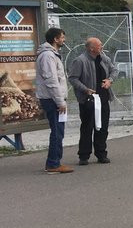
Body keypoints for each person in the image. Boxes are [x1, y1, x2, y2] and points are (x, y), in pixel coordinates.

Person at [67, 37, 117, 165]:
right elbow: (73, 78)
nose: (102, 47)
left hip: (103, 97)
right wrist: (85, 89)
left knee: (102, 127)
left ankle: (101, 153)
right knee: (87, 127)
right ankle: (84, 155)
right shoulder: (80, 61)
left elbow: (114, 70)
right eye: (100, 45)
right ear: (91, 48)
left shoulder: (104, 58)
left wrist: (109, 80)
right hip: (88, 99)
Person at [34, 27, 73, 173]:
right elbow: (51, 80)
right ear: (55, 39)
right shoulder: (48, 56)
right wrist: (60, 101)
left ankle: (54, 161)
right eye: (62, 37)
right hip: (52, 100)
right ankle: (53, 164)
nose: (64, 40)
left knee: (59, 131)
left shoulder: (52, 54)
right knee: (57, 132)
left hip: (54, 98)